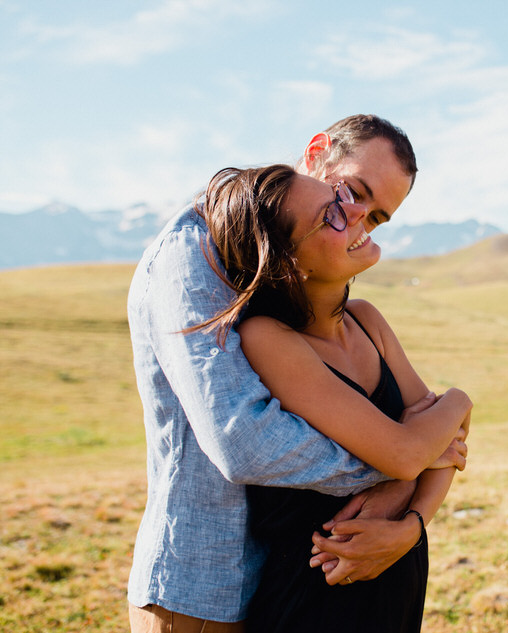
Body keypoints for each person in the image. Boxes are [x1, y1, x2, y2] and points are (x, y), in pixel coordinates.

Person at [127, 115, 469, 632]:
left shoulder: (355, 315)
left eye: (375, 217)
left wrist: (409, 504)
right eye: (350, 192)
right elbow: (242, 440)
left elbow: (425, 429)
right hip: (202, 578)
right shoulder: (195, 252)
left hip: (280, 568)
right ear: (317, 152)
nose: (353, 218)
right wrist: (406, 464)